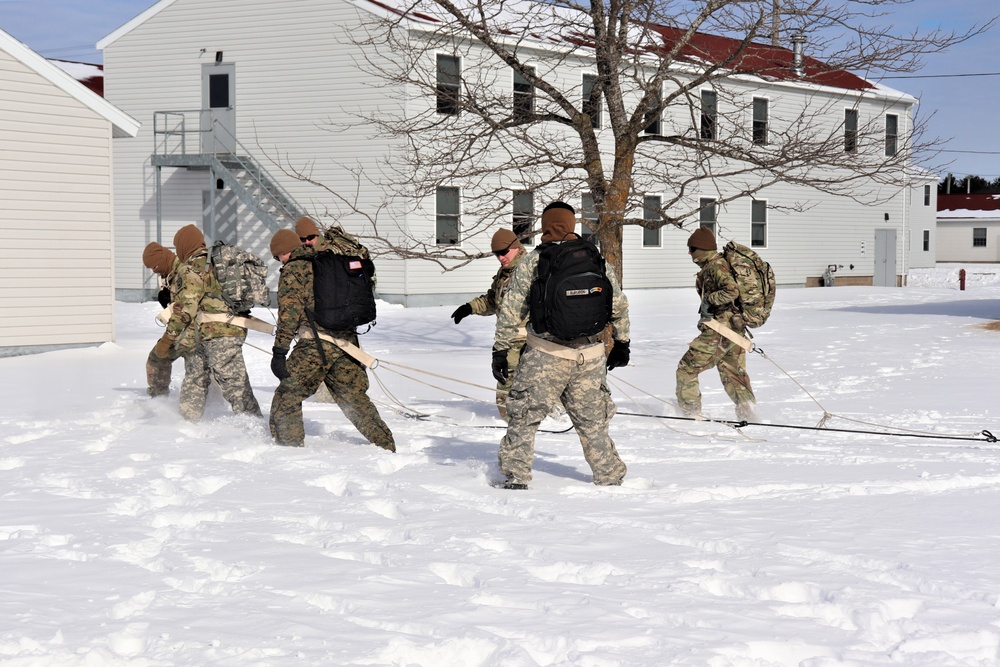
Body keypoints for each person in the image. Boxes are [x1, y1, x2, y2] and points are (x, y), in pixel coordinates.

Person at [491, 201, 630, 489]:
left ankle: (516, 477)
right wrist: (622, 343)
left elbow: (511, 309)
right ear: (571, 224)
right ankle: (609, 476)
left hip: (546, 354)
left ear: (545, 225)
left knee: (524, 417)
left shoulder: (534, 260)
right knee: (593, 422)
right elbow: (619, 304)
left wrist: (501, 350)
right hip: (590, 356)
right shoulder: (595, 258)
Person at [268, 229, 395, 451]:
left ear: (283, 252)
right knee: (353, 398)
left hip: (317, 345)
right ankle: (386, 445)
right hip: (346, 342)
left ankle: (287, 451)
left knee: (287, 395)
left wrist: (280, 351)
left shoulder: (294, 269)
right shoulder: (325, 260)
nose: (279, 260)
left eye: (277, 256)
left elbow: (289, 314)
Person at [154, 225, 262, 421]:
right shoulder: (214, 262)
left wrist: (167, 339)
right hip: (209, 333)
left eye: (178, 246)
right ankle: (187, 424)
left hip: (220, 334)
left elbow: (186, 309)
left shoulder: (192, 268)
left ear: (184, 245)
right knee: (198, 377)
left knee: (232, 384)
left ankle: (255, 426)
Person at [675, 226, 757, 421]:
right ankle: (748, 414)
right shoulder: (715, 265)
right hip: (734, 330)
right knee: (732, 371)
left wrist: (708, 300)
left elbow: (732, 291)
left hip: (719, 330)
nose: (689, 253)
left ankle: (690, 414)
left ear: (702, 249)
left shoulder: (715, 267)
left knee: (687, 368)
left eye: (692, 249)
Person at [451, 229, 527, 418]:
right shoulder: (505, 272)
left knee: (524, 391)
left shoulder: (529, 270)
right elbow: (493, 300)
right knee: (506, 395)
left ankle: (547, 426)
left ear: (515, 247)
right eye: (496, 254)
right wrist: (470, 307)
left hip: (530, 342)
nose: (500, 258)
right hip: (509, 341)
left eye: (503, 252)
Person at [142, 242, 181, 397]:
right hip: (180, 329)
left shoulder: (182, 271)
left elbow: (187, 307)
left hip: (189, 331)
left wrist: (167, 340)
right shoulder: (169, 272)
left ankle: (158, 398)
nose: (154, 270)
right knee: (157, 359)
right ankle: (159, 397)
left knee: (157, 358)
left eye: (155, 266)